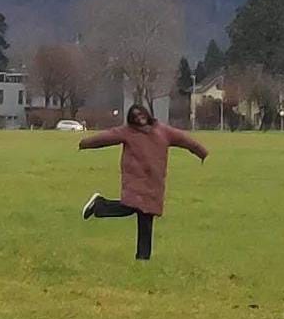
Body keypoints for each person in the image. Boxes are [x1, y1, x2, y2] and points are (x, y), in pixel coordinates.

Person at [79, 103, 208, 260]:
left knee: (146, 218)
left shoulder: (163, 131)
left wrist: (201, 152)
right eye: (135, 116)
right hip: (136, 178)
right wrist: (85, 143)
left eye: (141, 114)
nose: (139, 118)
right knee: (131, 206)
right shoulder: (128, 132)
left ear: (147, 114)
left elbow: (185, 140)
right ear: (131, 119)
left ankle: (143, 257)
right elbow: (107, 137)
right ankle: (99, 205)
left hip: (154, 181)